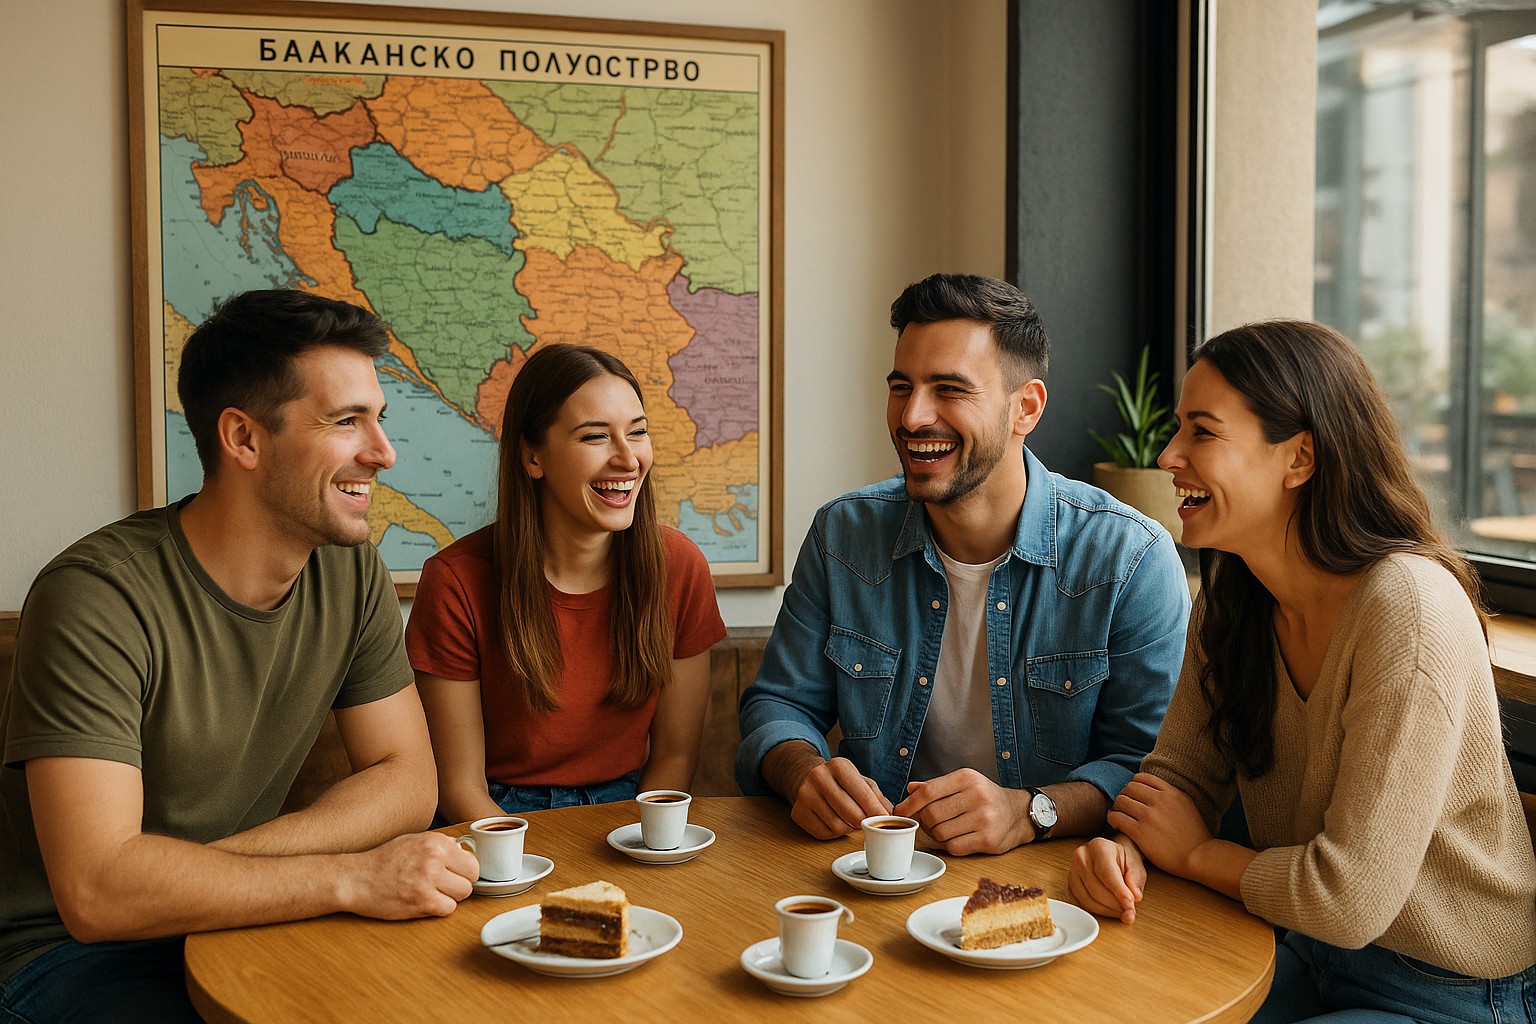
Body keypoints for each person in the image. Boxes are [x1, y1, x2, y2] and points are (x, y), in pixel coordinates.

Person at [0, 290, 479, 1024]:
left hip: (244, 919)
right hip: (65, 957)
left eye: (378, 420)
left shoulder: (350, 573)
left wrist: (214, 871)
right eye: (347, 422)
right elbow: (99, 893)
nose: (382, 453)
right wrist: (347, 878)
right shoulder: (94, 597)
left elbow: (407, 780)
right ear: (243, 439)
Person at [1069, 320, 1536, 1023]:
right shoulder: (1232, 601)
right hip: (1294, 946)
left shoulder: (1406, 610)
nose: (1169, 455)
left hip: (1446, 991)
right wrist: (1125, 852)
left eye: (1202, 432)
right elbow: (1177, 779)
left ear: (1299, 459)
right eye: (1176, 430)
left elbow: (1349, 900)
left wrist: (1195, 855)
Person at [735, 273, 1189, 854]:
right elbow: (779, 704)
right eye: (902, 387)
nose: (913, 416)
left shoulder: (1131, 559)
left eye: (949, 389)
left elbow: (1147, 771)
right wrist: (800, 769)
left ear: (1025, 408)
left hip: (1056, 887)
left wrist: (1029, 811)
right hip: (876, 870)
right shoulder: (841, 534)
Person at [406, 343, 726, 820]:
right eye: (595, 437)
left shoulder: (680, 566)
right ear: (533, 457)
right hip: (495, 817)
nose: (628, 459)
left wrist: (639, 841)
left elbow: (674, 759)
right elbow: (458, 787)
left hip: (631, 810)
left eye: (637, 433)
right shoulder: (455, 581)